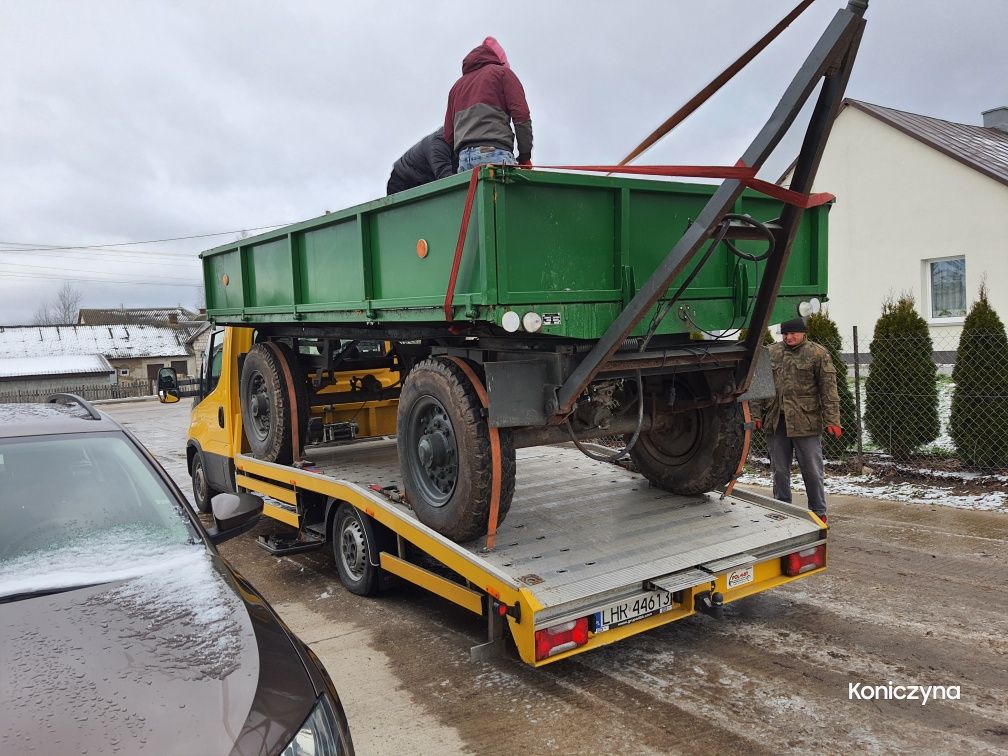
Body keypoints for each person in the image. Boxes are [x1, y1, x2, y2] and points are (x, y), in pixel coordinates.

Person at [752, 318, 842, 522]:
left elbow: (829, 390)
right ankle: (782, 509)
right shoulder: (771, 353)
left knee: (812, 471)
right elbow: (760, 386)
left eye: (793, 333)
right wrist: (756, 415)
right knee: (779, 471)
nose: (789, 337)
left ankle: (818, 512)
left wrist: (832, 420)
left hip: (805, 422)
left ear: (803, 333)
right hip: (776, 422)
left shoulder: (817, 354)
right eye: (785, 333)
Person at [444, 36, 532, 173]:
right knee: (510, 194)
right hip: (495, 153)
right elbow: (522, 116)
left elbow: (449, 135)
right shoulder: (503, 73)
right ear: (500, 60)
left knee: (475, 194)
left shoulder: (456, 88)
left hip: (464, 159)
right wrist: (525, 156)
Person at [386, 127, 456, 195]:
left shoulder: (457, 146)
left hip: (423, 182)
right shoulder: (439, 143)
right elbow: (446, 176)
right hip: (401, 182)